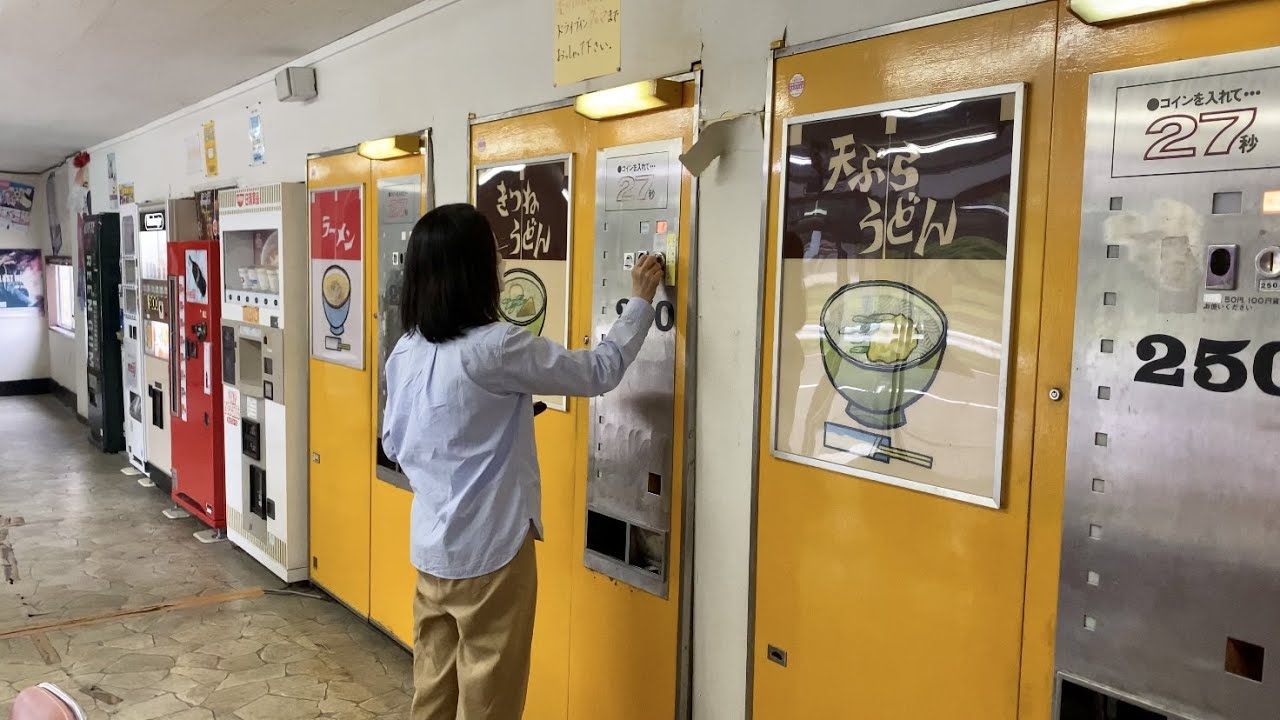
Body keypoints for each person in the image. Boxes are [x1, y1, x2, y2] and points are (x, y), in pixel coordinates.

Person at [381, 203, 666, 720]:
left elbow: (398, 444)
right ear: (474, 271)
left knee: (432, 696)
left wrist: (480, 426)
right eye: (494, 255)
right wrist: (641, 303)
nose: (501, 262)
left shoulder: (406, 350)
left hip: (431, 554)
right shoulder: (496, 347)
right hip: (491, 556)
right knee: (490, 701)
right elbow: (598, 371)